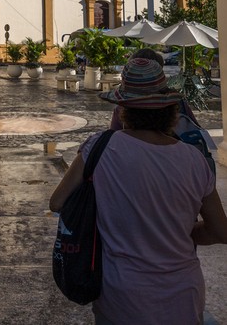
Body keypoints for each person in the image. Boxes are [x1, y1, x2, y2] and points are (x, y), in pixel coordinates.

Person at [50, 57, 227, 325]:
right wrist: (181, 231)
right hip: (182, 294)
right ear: (169, 109)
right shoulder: (194, 160)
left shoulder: (99, 148)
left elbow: (57, 201)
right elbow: (220, 231)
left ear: (123, 110)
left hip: (121, 295)